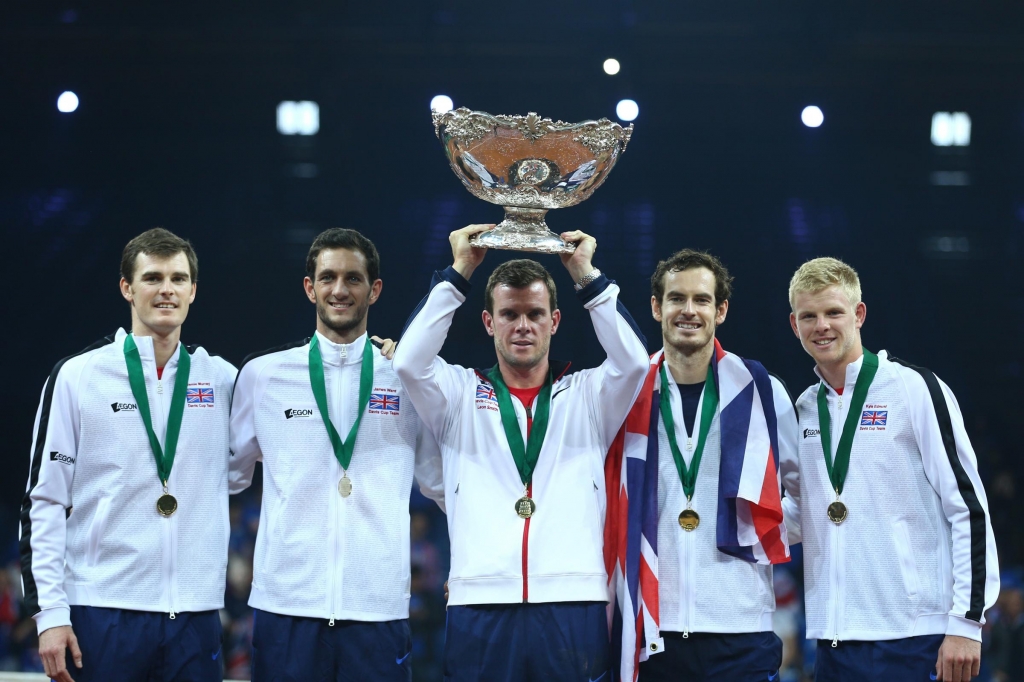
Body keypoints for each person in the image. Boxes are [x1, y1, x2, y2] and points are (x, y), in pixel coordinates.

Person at [393, 223, 649, 682]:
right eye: (510, 314)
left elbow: (633, 363)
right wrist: (460, 272)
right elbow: (409, 361)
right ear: (489, 321)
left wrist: (586, 276)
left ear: (555, 320)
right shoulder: (458, 393)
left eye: (535, 313)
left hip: (574, 601)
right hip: (480, 601)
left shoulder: (589, 395)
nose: (523, 326)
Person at [20, 228, 237, 682]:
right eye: (153, 277)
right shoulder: (78, 376)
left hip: (195, 614)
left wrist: (387, 364)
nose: (166, 290)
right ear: (127, 288)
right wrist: (50, 614)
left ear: (193, 290)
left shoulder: (223, 380)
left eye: (178, 279)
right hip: (103, 609)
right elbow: (43, 502)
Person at [229, 227, 444, 682]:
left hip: (378, 609)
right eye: (327, 277)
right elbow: (225, 476)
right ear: (310, 288)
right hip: (285, 607)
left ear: (375, 289)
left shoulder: (405, 377)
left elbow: (443, 484)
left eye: (353, 278)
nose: (340, 290)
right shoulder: (263, 376)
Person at [783, 257, 1000, 682]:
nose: (821, 325)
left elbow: (968, 507)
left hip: (916, 635)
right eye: (809, 316)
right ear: (795, 325)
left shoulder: (914, 388)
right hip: (834, 638)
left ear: (858, 314)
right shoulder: (804, 408)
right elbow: (806, 515)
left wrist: (967, 622)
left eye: (833, 312)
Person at [607, 249, 797, 681]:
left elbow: (805, 493)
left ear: (721, 310)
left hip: (741, 629)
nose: (688, 310)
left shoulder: (762, 391)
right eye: (676, 298)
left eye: (702, 299)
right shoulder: (623, 392)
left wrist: (757, 532)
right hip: (651, 628)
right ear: (657, 307)